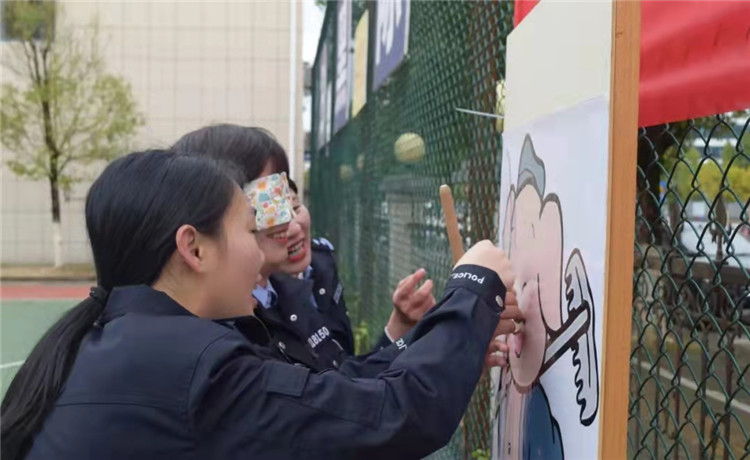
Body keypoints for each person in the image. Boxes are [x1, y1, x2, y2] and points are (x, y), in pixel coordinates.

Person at [1, 149, 521, 459]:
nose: (263, 247)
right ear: (194, 249)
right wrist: (474, 282)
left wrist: (449, 345)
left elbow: (324, 396)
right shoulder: (194, 368)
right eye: (251, 230)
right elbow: (392, 417)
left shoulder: (118, 343)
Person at [173, 125, 437, 370]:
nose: (288, 221)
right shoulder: (213, 350)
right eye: (265, 205)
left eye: (292, 203)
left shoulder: (287, 291)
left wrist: (399, 333)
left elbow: (342, 384)